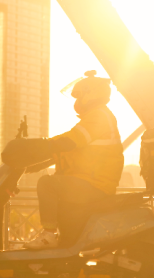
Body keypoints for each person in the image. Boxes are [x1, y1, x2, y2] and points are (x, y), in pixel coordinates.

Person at [25, 70, 124, 249]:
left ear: (90, 95)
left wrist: (38, 146)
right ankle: (64, 244)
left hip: (94, 183)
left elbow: (70, 140)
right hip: (90, 180)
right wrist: (39, 161)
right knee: (56, 189)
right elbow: (71, 148)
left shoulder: (99, 116)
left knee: (47, 184)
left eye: (79, 96)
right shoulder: (96, 116)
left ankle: (49, 235)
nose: (76, 102)